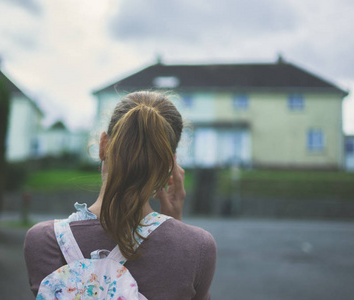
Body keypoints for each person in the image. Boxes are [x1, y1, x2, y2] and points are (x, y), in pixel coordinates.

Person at [24, 91, 217, 299]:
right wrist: (175, 224)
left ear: (103, 145)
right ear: (169, 166)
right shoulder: (198, 247)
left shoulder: (42, 241)